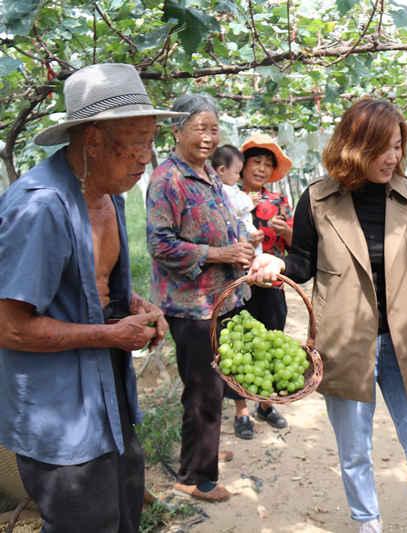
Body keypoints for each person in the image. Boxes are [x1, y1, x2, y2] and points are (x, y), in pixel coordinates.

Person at [249, 98, 407, 533]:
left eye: (399, 147)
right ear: (355, 146)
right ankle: (368, 526)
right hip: (347, 345)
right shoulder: (317, 199)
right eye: (384, 148)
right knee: (354, 454)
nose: (394, 157)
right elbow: (303, 261)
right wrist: (277, 266)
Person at [0, 63, 175, 532]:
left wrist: (134, 306)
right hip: (59, 416)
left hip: (107, 400)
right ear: (93, 141)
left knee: (123, 513)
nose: (146, 157)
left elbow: (88, 284)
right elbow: (9, 326)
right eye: (137, 142)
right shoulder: (39, 208)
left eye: (151, 141)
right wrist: (108, 334)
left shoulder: (109, 195)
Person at [147, 94, 255, 502]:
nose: (209, 137)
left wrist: (240, 245)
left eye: (214, 129)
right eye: (200, 128)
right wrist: (219, 254)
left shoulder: (206, 172)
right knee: (203, 389)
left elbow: (218, 225)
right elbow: (160, 245)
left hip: (219, 298)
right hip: (191, 305)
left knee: (211, 385)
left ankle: (201, 454)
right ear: (177, 132)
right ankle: (194, 478)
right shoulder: (167, 179)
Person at [224, 134, 295, 439]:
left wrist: (287, 231)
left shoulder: (278, 201)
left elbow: (296, 245)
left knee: (271, 337)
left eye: (268, 164)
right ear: (243, 166)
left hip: (272, 281)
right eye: (257, 162)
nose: (262, 169)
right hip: (237, 282)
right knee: (238, 342)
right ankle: (241, 411)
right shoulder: (225, 194)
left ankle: (265, 404)